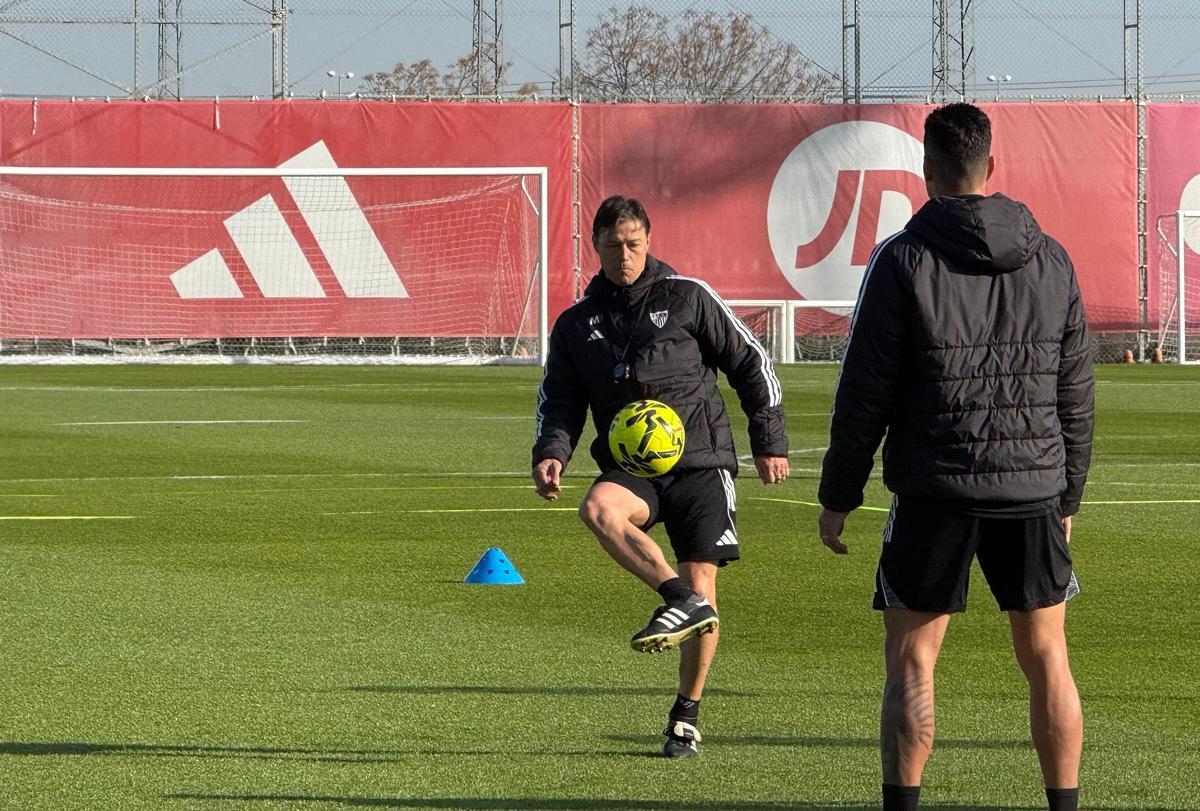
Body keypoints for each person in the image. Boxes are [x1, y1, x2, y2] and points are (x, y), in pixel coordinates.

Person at [816, 103, 1093, 811]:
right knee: (1047, 656)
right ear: (991, 167)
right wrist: (1068, 499)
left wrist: (838, 493)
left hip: (936, 484)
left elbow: (864, 390)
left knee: (913, 657)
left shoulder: (905, 257)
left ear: (927, 173)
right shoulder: (1053, 257)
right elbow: (1076, 394)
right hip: (1032, 485)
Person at [532, 195, 790, 758]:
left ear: (648, 240)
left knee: (705, 589)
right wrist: (552, 451)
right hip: (632, 467)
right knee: (597, 509)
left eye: (633, 244)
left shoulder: (688, 297)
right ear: (594, 246)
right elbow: (560, 399)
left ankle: (685, 716)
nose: (623, 255)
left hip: (702, 463)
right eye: (611, 245)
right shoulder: (577, 324)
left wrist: (768, 441)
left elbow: (752, 363)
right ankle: (674, 595)